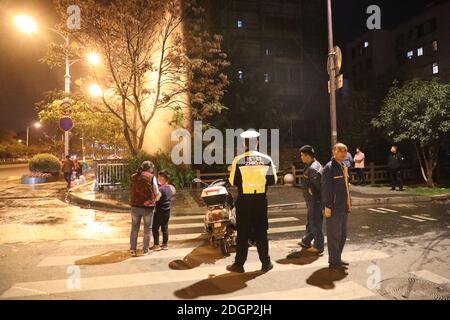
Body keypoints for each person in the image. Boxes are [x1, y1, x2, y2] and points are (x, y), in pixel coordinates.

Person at [226, 129, 277, 273]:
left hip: (244, 200)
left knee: (242, 233)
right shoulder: (266, 159)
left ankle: (239, 265)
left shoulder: (239, 160)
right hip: (260, 200)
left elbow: (233, 181)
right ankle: (266, 263)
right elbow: (273, 180)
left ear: (245, 143)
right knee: (261, 232)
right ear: (258, 142)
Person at [321, 143, 352, 271]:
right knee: (334, 236)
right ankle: (333, 263)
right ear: (333, 151)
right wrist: (327, 206)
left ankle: (337, 258)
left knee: (343, 235)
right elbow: (326, 189)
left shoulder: (343, 166)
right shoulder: (329, 168)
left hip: (344, 206)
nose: (343, 153)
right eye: (340, 151)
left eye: (345, 151)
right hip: (333, 207)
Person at [129, 161, 159, 257]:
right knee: (147, 229)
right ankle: (145, 250)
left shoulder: (133, 176)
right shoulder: (151, 177)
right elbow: (156, 191)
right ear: (149, 168)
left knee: (134, 229)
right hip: (147, 207)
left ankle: (132, 250)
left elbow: (132, 188)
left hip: (135, 206)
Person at [298, 145, 324, 254]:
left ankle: (318, 246)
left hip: (315, 200)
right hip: (311, 200)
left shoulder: (313, 168)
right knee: (310, 222)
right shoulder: (312, 165)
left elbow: (319, 186)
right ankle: (306, 240)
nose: (301, 157)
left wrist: (315, 196)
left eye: (302, 155)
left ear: (308, 156)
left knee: (315, 223)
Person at [151, 170, 173, 251]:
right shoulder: (169, 188)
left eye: (159, 177)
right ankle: (165, 245)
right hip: (167, 211)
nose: (158, 178)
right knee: (165, 228)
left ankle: (156, 245)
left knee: (155, 228)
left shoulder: (161, 189)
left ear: (163, 178)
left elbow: (156, 199)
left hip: (159, 211)